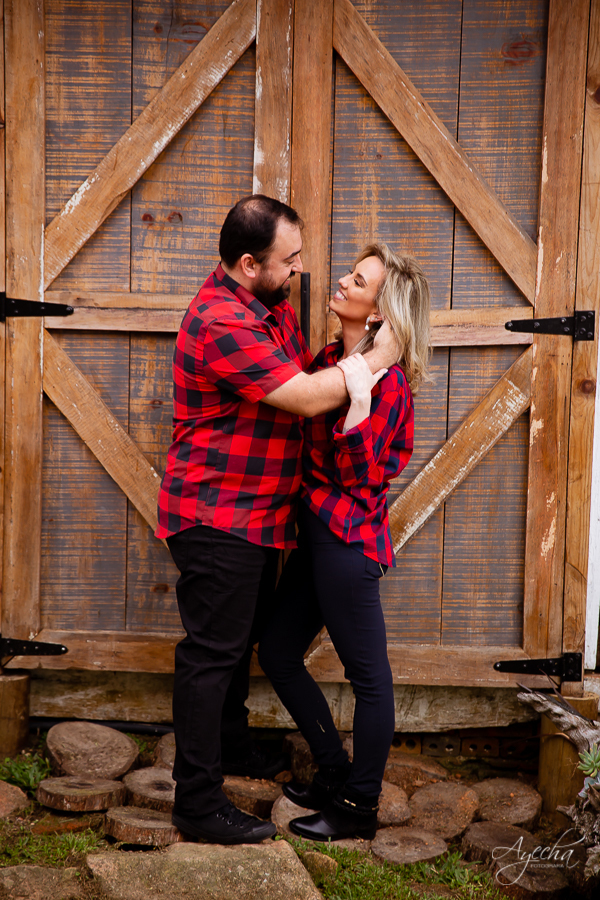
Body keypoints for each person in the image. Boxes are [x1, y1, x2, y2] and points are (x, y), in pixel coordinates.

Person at [155, 196, 397, 845]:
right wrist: (379, 356)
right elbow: (306, 396)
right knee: (210, 658)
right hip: (217, 514)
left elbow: (316, 377)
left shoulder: (271, 306)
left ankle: (231, 750)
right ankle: (198, 805)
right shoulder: (222, 320)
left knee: (235, 651)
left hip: (260, 517)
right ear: (245, 264)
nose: (300, 269)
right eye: (289, 260)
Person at [258, 243, 431, 841]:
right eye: (350, 273)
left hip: (349, 545)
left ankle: (359, 806)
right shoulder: (333, 356)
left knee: (370, 680)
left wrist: (357, 404)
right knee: (278, 651)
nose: (341, 281)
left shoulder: (387, 387)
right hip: (314, 533)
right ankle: (333, 769)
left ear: (379, 311)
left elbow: (362, 477)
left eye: (357, 280)